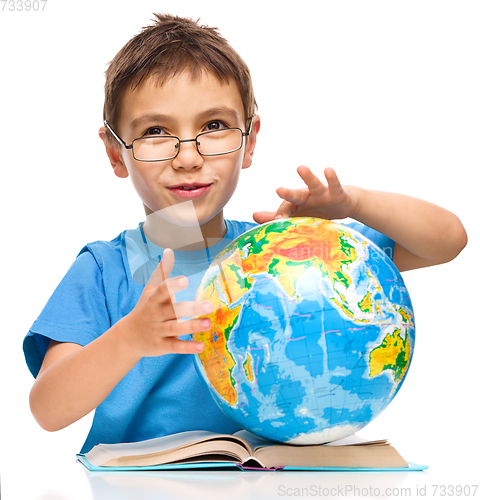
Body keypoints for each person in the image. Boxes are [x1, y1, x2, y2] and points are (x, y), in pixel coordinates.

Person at [24, 14, 467, 455]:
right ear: (114, 152)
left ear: (250, 141)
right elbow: (48, 409)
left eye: (213, 126)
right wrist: (129, 338)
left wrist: (354, 204)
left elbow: (448, 240)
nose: (188, 157)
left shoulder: (286, 254)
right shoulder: (104, 270)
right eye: (156, 132)